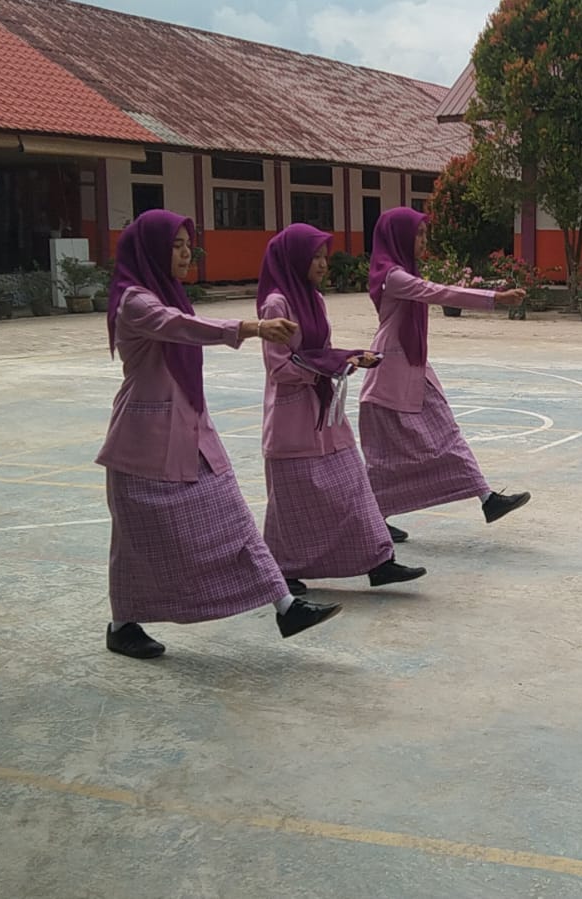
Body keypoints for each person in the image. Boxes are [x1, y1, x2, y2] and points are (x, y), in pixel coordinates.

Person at [96, 209, 342, 660]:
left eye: (189, 245)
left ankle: (285, 606)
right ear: (148, 248)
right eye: (176, 245)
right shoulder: (135, 300)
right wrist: (250, 327)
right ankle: (122, 624)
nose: (187, 253)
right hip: (143, 440)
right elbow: (177, 326)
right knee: (136, 541)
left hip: (192, 429)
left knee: (234, 517)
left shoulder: (168, 295)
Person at [255, 224, 427, 596]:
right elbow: (280, 368)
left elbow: (320, 352)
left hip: (325, 412)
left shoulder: (314, 299)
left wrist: (348, 359)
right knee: (291, 501)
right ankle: (281, 570)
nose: (321, 264)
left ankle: (379, 562)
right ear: (295, 259)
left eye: (323, 257)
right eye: (314, 257)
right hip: (292, 418)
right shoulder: (276, 304)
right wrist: (334, 364)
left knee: (353, 484)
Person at [357, 206, 529, 543]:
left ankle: (487, 498)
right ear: (399, 237)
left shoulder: (401, 271)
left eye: (424, 234)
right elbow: (438, 292)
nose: (423, 241)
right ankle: (374, 517)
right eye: (417, 235)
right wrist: (495, 298)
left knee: (447, 434)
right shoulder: (392, 276)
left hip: (415, 366)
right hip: (390, 373)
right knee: (386, 459)